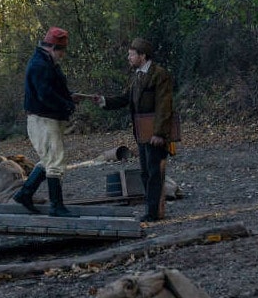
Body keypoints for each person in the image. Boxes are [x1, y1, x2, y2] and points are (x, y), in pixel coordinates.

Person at [96, 38, 174, 222]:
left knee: (155, 172)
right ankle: (152, 209)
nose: (128, 57)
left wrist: (159, 133)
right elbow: (126, 98)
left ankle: (153, 212)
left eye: (131, 54)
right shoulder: (138, 75)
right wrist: (103, 101)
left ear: (142, 56)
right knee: (146, 172)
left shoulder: (159, 74)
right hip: (142, 133)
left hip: (154, 133)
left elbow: (164, 105)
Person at [13, 27, 84, 217]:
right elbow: (45, 95)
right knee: (55, 162)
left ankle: (25, 194)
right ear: (52, 47)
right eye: (61, 51)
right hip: (43, 119)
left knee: (49, 160)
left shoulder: (45, 63)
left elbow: (50, 90)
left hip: (45, 118)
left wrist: (69, 97)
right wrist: (67, 105)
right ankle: (56, 207)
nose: (62, 55)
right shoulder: (40, 65)